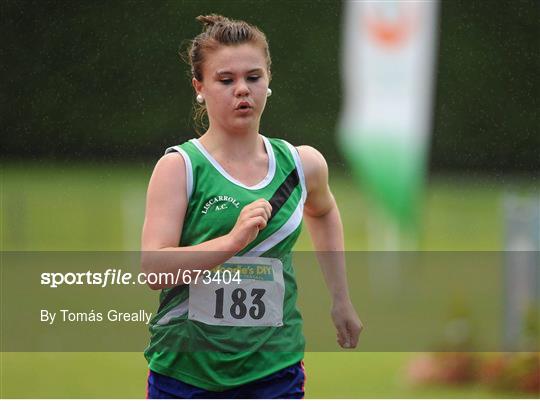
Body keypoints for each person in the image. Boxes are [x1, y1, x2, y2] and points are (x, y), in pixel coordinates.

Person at [142, 14, 362, 399]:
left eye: (253, 77)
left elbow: (323, 211)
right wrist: (232, 241)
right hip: (187, 373)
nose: (241, 89)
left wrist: (341, 299)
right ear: (200, 87)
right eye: (225, 80)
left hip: (275, 371)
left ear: (268, 81)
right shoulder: (179, 168)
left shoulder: (301, 165)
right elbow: (154, 270)